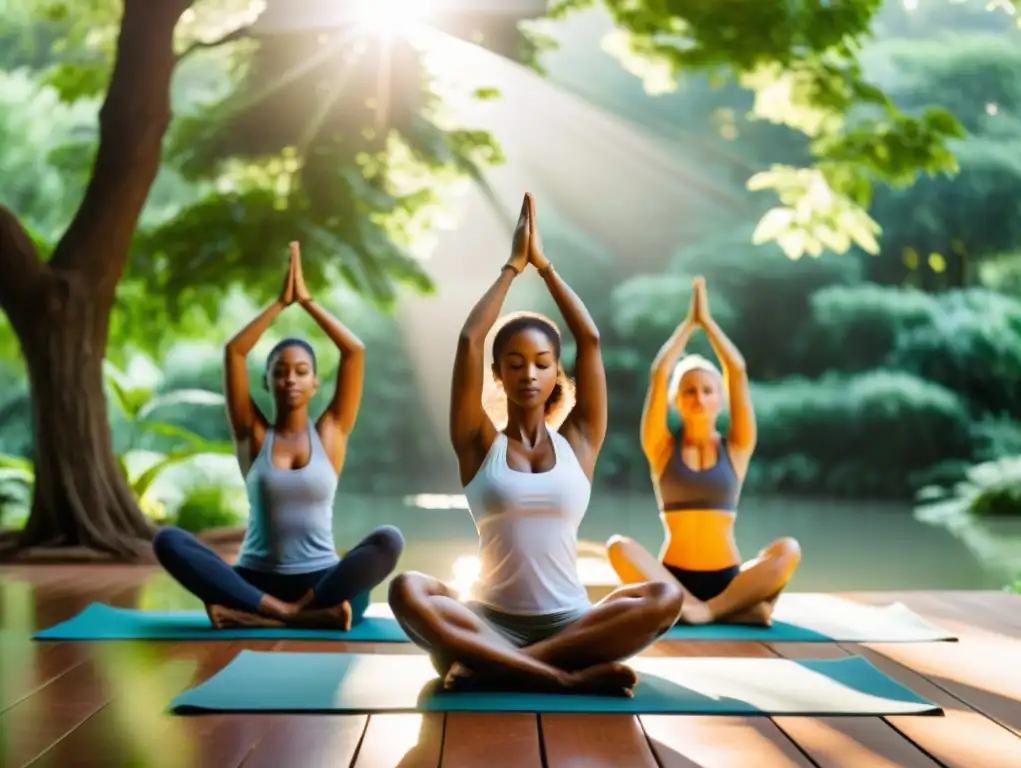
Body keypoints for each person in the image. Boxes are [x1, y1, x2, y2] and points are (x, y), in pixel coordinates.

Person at [387, 193, 683, 697]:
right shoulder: (478, 442)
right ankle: (560, 679)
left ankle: (500, 669)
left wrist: (544, 267)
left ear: (556, 373)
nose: (529, 372)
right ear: (498, 373)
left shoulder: (581, 441)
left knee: (664, 595)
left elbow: (588, 340)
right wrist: (510, 268)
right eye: (515, 362)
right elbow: (468, 341)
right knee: (406, 588)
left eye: (542, 362)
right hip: (487, 623)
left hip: (570, 624)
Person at [152, 243, 404, 629]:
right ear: (267, 381)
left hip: (323, 583)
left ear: (315, 383)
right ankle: (287, 614)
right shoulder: (251, 435)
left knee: (389, 539)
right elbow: (234, 352)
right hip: (255, 581)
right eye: (280, 371)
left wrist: (307, 301)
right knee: (167, 540)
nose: (290, 378)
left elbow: (354, 351)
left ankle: (268, 615)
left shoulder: (331, 432)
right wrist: (279, 303)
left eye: (301, 371)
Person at [606, 276, 801, 626]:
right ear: (676, 401)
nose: (699, 397)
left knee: (788, 550)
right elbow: (659, 372)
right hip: (674, 578)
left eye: (707, 390)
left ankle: (708, 610)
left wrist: (707, 324)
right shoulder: (662, 448)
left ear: (720, 398)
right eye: (690, 391)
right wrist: (686, 326)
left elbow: (737, 371)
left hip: (728, 577)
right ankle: (734, 610)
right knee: (618, 547)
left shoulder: (737, 447)